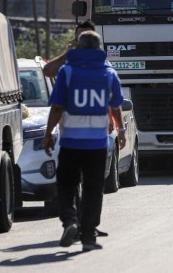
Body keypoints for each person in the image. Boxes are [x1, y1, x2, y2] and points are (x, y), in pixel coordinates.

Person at [42, 30, 126, 252]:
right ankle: (88, 237)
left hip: (71, 142)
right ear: (99, 49)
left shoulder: (67, 72)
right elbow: (116, 104)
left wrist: (48, 133)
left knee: (67, 185)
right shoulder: (109, 73)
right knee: (93, 189)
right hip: (97, 144)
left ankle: (70, 221)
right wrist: (121, 129)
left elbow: (58, 106)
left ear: (77, 48)